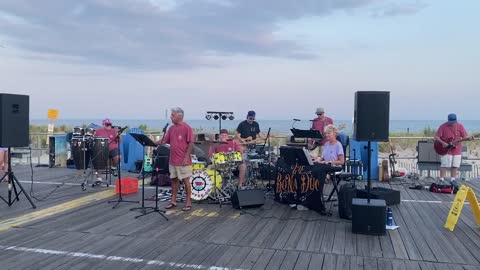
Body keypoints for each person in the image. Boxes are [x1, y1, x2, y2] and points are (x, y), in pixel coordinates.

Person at [156, 107, 194, 211]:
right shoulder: (171, 128)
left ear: (179, 116)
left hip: (183, 161)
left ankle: (188, 201)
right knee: (173, 180)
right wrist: (152, 142)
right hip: (173, 160)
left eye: (173, 115)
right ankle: (173, 200)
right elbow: (165, 140)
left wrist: (186, 157)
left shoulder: (187, 128)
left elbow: (191, 143)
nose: (171, 117)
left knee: (186, 181)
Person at [434, 113, 473, 185]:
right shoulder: (443, 126)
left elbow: (465, 137)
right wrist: (443, 142)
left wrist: (469, 139)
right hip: (446, 150)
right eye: (451, 122)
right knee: (444, 164)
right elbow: (436, 136)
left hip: (457, 149)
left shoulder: (460, 126)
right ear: (448, 120)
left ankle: (453, 179)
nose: (452, 123)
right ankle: (441, 179)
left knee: (455, 165)